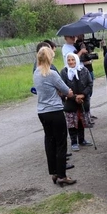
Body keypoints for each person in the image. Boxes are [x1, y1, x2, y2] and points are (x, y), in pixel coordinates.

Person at [33, 47, 76, 187]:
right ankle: (62, 175)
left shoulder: (36, 73)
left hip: (42, 111)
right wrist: (65, 92)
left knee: (49, 141)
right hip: (55, 111)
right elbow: (67, 91)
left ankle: (54, 172)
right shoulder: (51, 73)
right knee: (61, 143)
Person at [60, 53, 94, 151]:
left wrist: (83, 95)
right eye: (69, 60)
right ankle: (74, 142)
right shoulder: (64, 72)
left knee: (81, 121)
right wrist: (74, 97)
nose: (71, 62)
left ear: (77, 60)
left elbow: (89, 84)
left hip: (83, 100)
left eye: (73, 60)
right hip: (70, 101)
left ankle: (82, 140)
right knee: (72, 123)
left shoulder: (84, 70)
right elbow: (63, 87)